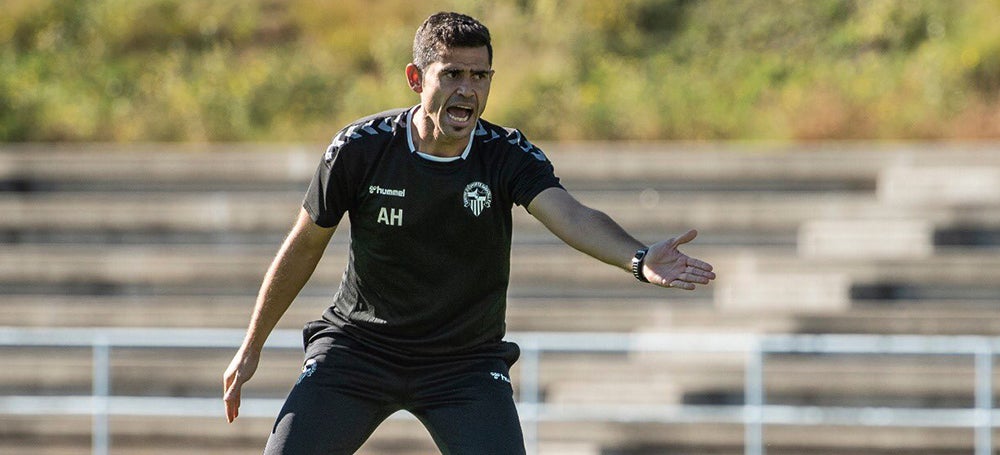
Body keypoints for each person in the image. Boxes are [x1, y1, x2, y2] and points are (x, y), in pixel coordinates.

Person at [223, 11, 716, 455]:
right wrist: (252, 345)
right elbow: (305, 244)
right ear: (416, 79)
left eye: (480, 76)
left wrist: (637, 257)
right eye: (453, 74)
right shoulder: (360, 148)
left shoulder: (506, 154)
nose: (468, 89)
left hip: (465, 363)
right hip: (359, 350)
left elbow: (571, 214)